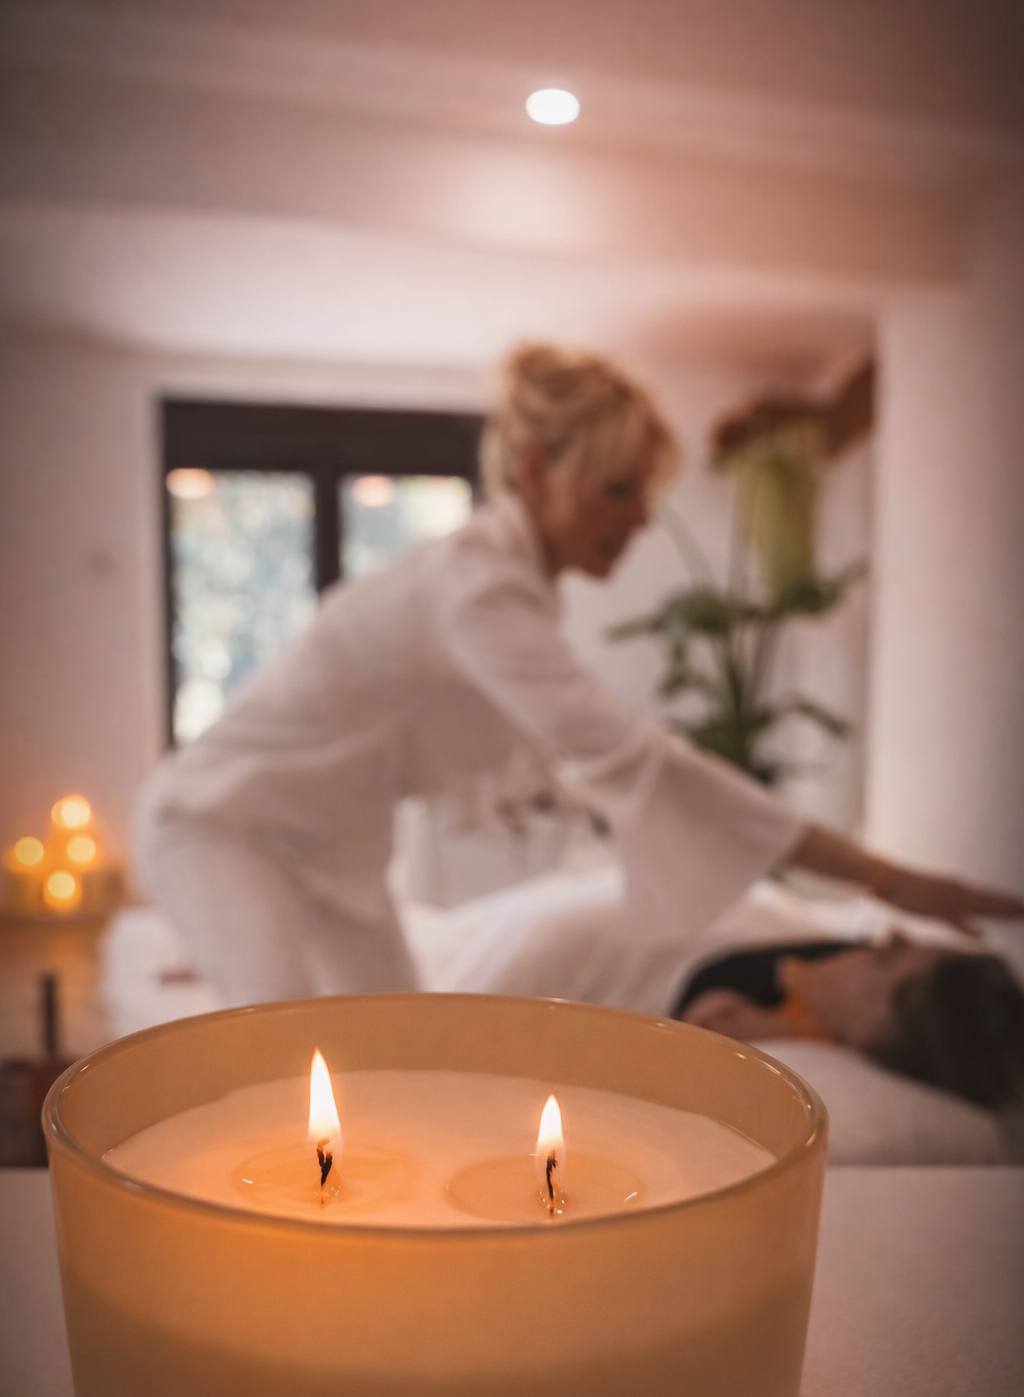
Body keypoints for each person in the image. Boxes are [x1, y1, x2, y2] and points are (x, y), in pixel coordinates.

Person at [138, 343, 1023, 1006]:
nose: (639, 519)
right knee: (284, 1054)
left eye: (643, 492)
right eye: (618, 489)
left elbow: (579, 772)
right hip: (224, 829)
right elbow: (647, 764)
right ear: (535, 472)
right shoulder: (477, 590)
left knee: (405, 1054)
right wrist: (892, 882)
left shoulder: (510, 592)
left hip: (339, 856)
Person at [677, 936, 1024, 1109]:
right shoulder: (828, 965)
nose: (891, 934)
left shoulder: (811, 1030)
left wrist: (761, 1026)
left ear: (868, 1032)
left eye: (885, 958)